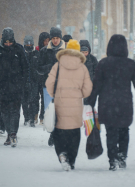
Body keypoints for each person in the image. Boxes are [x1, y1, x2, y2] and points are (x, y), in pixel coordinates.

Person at [87, 34, 135, 171]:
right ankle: (122, 156)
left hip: (107, 104)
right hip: (124, 104)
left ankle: (112, 160)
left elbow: (96, 86)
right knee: (124, 131)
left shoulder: (103, 64)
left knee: (110, 132)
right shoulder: (130, 64)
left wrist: (90, 102)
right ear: (125, 48)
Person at [45, 39, 92, 171]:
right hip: (76, 105)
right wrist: (79, 94)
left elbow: (49, 83)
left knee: (59, 131)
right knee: (74, 133)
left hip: (60, 103)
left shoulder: (57, 65)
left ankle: (62, 154)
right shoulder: (83, 67)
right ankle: (71, 160)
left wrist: (55, 94)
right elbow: (88, 89)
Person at [0, 27, 28, 147]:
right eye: (6, 42)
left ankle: (13, 133)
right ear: (2, 40)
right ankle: (8, 133)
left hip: (17, 86)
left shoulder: (19, 49)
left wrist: (22, 82)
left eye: (10, 42)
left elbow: (25, 68)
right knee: (5, 112)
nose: (8, 44)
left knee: (15, 112)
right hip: (3, 87)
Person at [38, 27, 65, 146]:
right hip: (48, 86)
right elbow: (38, 68)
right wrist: (49, 68)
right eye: (53, 38)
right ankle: (52, 132)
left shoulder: (66, 51)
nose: (55, 41)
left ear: (60, 38)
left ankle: (55, 135)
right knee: (49, 112)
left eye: (57, 38)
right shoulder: (44, 51)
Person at [21, 35, 40, 127]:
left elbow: (39, 66)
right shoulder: (21, 53)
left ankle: (32, 118)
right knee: (24, 100)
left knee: (33, 100)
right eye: (27, 43)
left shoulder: (36, 54)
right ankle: (26, 118)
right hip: (23, 81)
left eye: (30, 43)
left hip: (34, 81)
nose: (29, 45)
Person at [79, 40, 98, 105]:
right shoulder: (76, 59)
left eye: (86, 52)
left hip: (90, 87)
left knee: (89, 106)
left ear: (89, 51)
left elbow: (97, 73)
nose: (84, 54)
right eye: (82, 52)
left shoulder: (93, 59)